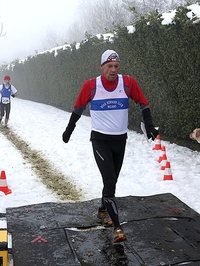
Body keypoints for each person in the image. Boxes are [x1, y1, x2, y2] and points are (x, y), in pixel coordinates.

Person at [62, 49, 158, 243]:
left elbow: (143, 103)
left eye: (116, 66)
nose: (113, 70)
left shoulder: (128, 83)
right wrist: (68, 131)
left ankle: (102, 210)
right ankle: (117, 228)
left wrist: (148, 124)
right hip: (100, 140)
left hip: (120, 140)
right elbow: (78, 109)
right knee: (110, 180)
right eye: (109, 66)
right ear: (102, 67)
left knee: (110, 182)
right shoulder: (91, 86)